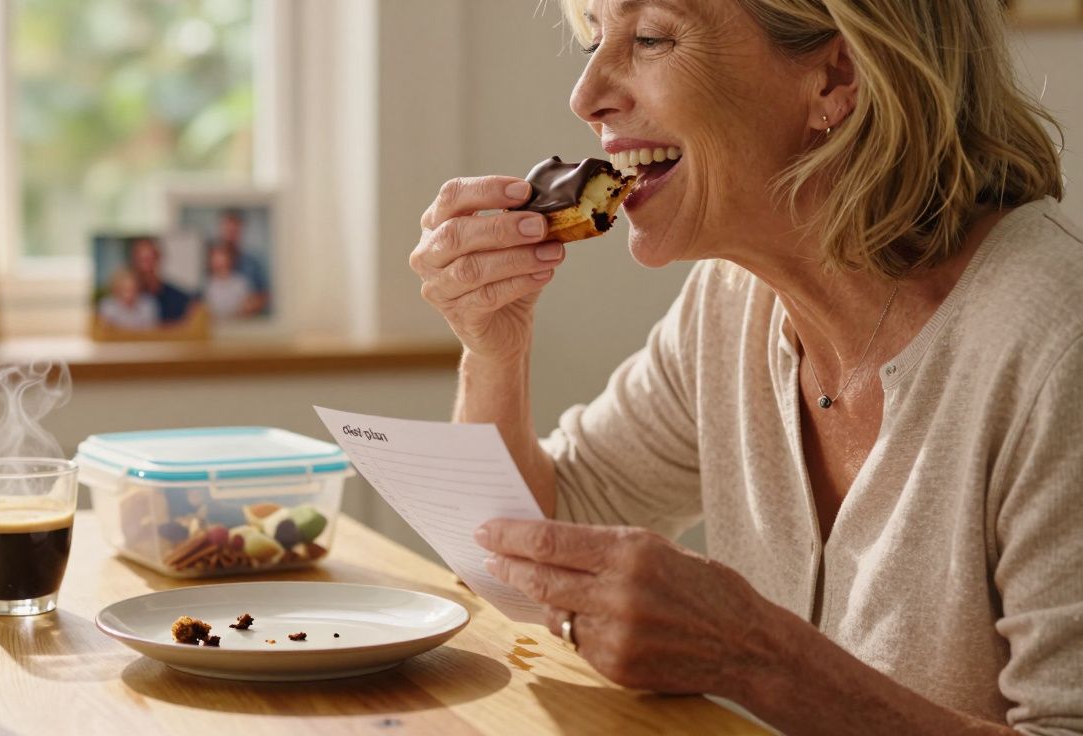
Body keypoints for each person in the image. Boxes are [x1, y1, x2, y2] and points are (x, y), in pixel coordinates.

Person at [411, 1, 1081, 733]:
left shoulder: (1055, 346)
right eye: (596, 37)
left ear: (837, 75)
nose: (585, 95)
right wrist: (493, 348)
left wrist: (758, 659)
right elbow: (524, 546)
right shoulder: (734, 304)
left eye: (652, 37)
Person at [214, 210, 270, 314]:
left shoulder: (253, 263)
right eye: (227, 231)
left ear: (241, 231)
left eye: (234, 232)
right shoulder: (207, 263)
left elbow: (265, 294)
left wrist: (252, 305)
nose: (230, 237)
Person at [127, 237, 194, 324]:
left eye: (149, 260)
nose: (146, 267)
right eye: (141, 260)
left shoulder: (178, 299)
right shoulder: (124, 298)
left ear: (158, 259)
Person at [205, 245, 265, 319]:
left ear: (229, 260)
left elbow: (248, 307)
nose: (219, 261)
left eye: (222, 257)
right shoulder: (207, 285)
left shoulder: (240, 282)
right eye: (215, 258)